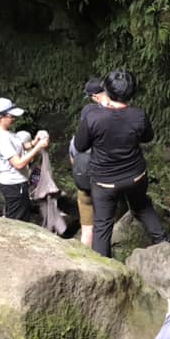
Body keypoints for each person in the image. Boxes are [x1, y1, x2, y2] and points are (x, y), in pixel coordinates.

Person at [73, 69, 167, 258]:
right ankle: (164, 243)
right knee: (142, 206)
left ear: (105, 90)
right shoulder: (139, 115)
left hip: (105, 182)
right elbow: (148, 137)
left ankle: (105, 269)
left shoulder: (93, 117)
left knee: (102, 225)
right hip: (135, 176)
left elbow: (80, 146)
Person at [0, 97, 50, 222]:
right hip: (13, 184)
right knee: (18, 220)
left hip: (14, 183)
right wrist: (38, 148)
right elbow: (18, 164)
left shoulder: (6, 132)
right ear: (0, 117)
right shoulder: (2, 138)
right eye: (11, 116)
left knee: (14, 213)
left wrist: (34, 142)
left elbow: (21, 146)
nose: (14, 118)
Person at [69, 77, 105, 247]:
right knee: (103, 227)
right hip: (103, 186)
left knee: (87, 230)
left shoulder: (75, 140)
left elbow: (73, 161)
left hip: (84, 188)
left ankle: (86, 260)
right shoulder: (104, 136)